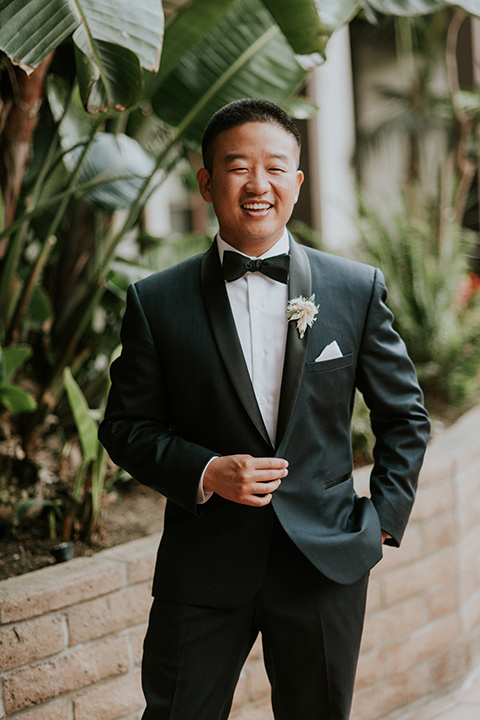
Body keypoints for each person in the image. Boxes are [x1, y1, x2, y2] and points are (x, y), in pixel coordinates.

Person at [98, 98, 430, 720]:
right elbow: (125, 427)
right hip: (203, 568)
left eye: (275, 168)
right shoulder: (156, 301)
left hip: (323, 564)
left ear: (296, 184)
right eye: (238, 167)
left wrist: (382, 519)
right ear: (205, 182)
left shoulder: (354, 289)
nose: (258, 185)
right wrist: (205, 471)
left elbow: (404, 416)